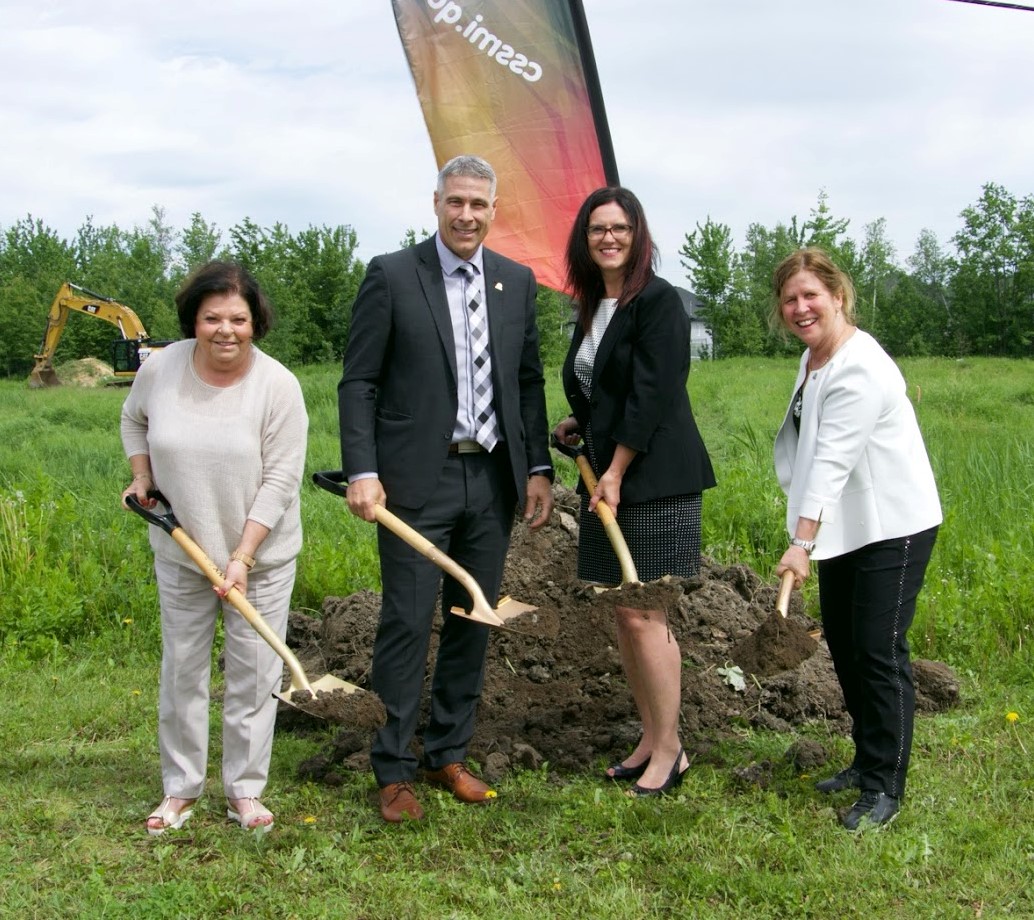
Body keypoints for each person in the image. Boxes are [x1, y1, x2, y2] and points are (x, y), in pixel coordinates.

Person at [338, 154, 555, 823]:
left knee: (474, 617)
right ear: (435, 203)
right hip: (413, 483)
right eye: (455, 202)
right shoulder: (394, 275)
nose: (467, 215)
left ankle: (446, 753)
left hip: (490, 479)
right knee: (406, 622)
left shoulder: (515, 283)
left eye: (479, 205)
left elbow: (525, 383)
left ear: (495, 210)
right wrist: (363, 470)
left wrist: (538, 468)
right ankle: (394, 767)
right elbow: (360, 382)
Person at [121, 260, 308, 835]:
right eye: (212, 318)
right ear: (193, 320)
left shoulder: (277, 385)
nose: (225, 330)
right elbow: (133, 420)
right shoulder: (161, 368)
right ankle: (180, 787)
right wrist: (141, 475)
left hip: (261, 558)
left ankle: (244, 792)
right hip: (183, 550)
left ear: (255, 322)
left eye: (238, 318)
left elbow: (280, 480)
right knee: (183, 668)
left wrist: (243, 556)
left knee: (254, 673)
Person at [553, 187, 716, 797]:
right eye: (597, 229)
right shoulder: (594, 304)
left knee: (648, 614)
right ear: (584, 238)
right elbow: (602, 387)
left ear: (638, 234)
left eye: (619, 228)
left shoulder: (660, 302)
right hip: (605, 475)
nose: (609, 238)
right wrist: (582, 423)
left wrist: (617, 467)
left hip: (651, 478)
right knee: (623, 613)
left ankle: (672, 750)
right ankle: (651, 737)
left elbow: (652, 394)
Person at [772, 247, 941, 830]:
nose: (800, 307)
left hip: (892, 526)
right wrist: (812, 537)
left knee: (877, 651)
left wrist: (801, 541)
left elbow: (832, 462)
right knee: (845, 645)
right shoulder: (816, 357)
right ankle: (866, 760)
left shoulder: (859, 365)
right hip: (849, 526)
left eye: (811, 295)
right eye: (790, 299)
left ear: (838, 296)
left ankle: (884, 787)